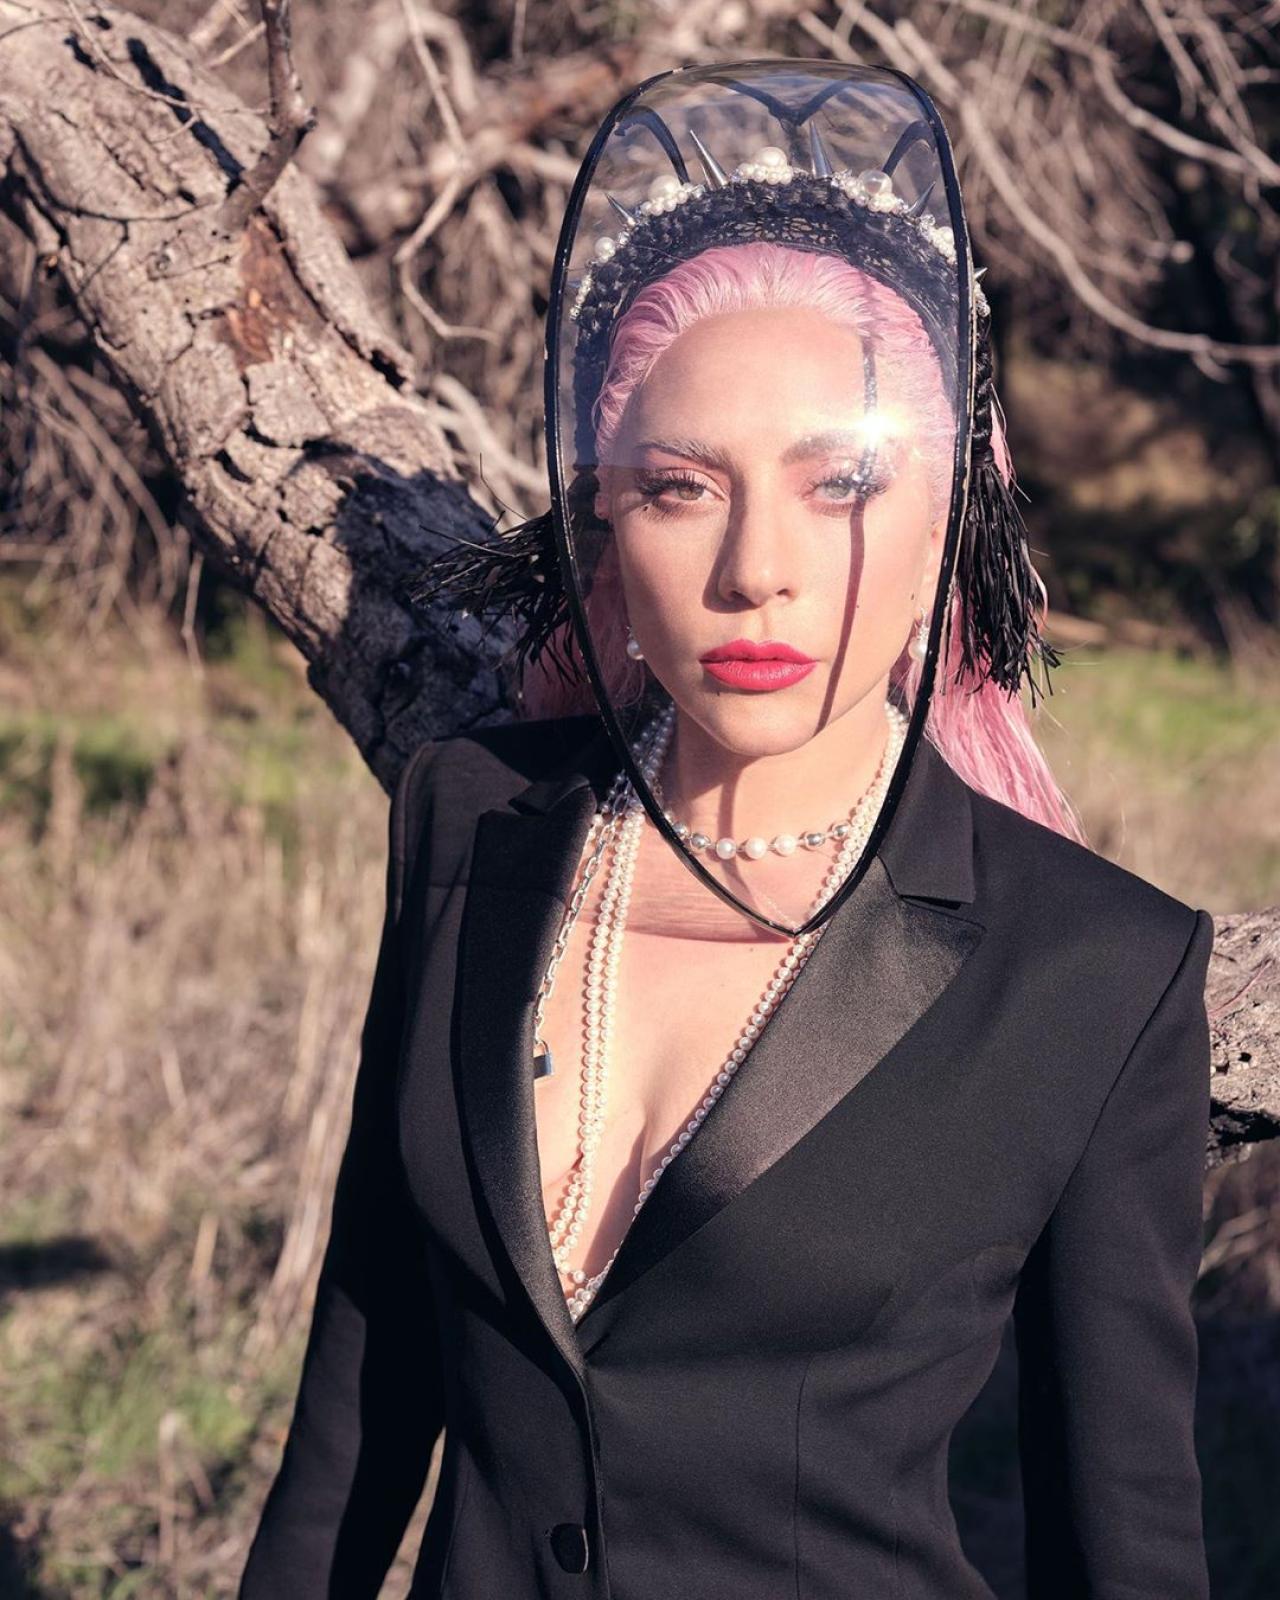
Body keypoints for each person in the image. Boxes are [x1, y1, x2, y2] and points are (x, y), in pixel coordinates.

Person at [238, 62, 1213, 1599]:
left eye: (841, 485)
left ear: (947, 522)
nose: (759, 566)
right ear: (607, 528)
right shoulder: (468, 818)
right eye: (684, 487)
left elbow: (1125, 1542)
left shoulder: (1096, 971)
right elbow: (367, 1370)